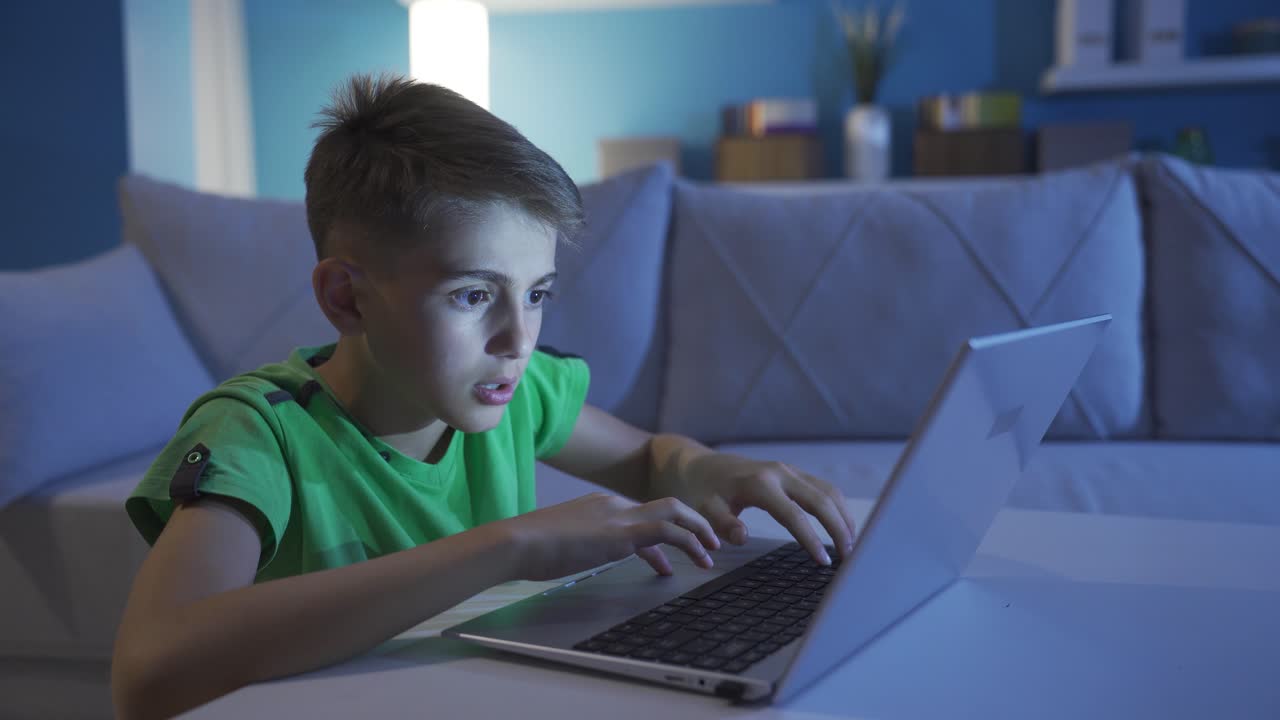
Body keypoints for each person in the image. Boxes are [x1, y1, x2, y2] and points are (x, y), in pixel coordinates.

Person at [110, 73, 856, 720]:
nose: (517, 338)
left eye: (536, 294)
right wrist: (510, 546)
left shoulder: (511, 391)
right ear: (347, 298)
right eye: (473, 295)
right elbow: (149, 677)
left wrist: (710, 470)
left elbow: (649, 458)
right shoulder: (259, 434)